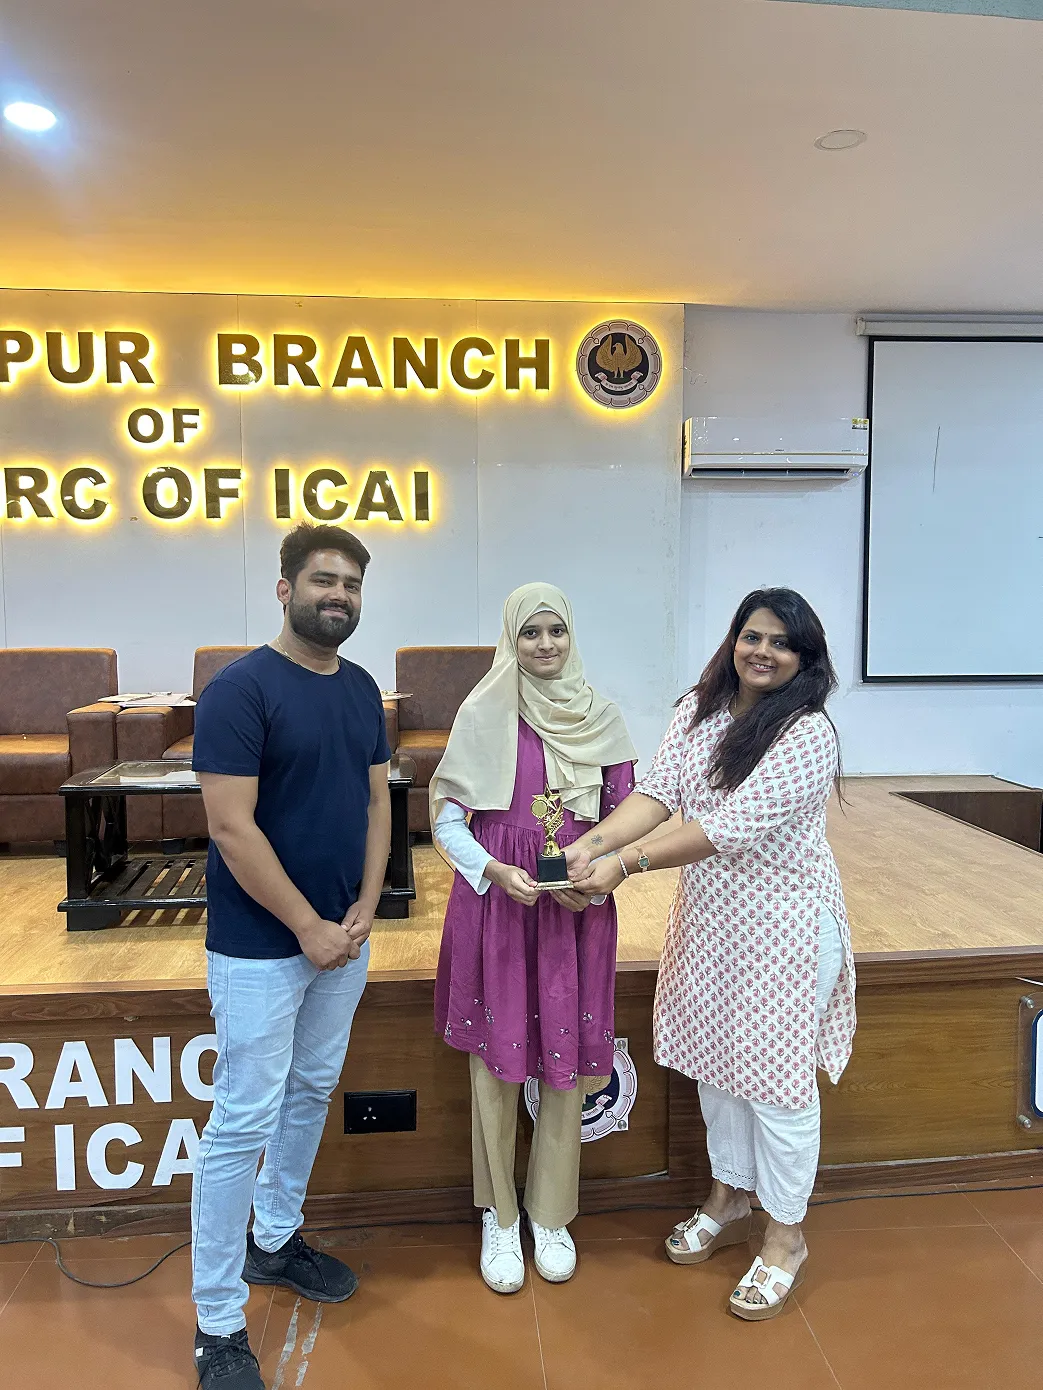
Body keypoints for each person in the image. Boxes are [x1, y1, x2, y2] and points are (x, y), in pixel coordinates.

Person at [566, 588, 855, 1321]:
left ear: (805, 659)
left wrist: (625, 865)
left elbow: (727, 827)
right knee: (716, 1068)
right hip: (712, 924)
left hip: (786, 932)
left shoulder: (806, 733)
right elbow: (658, 793)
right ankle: (729, 1197)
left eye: (781, 643)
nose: (762, 651)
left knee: (777, 1087)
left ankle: (785, 1236)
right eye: (752, 636)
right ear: (733, 640)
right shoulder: (700, 708)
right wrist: (591, 843)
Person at [190, 523, 391, 1390]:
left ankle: (273, 1241)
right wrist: (308, 926)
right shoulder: (239, 690)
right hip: (261, 948)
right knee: (242, 1121)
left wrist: (366, 905)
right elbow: (230, 827)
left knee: (309, 1092)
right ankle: (216, 1322)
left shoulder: (361, 687)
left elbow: (378, 804)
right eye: (322, 580)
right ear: (284, 588)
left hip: (342, 940)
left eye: (351, 583)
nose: (338, 595)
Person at [430, 583, 637, 1294]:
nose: (545, 645)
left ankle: (550, 1215)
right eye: (530, 632)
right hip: (498, 907)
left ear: (571, 636)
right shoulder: (483, 711)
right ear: (510, 639)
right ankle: (500, 1213)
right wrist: (492, 870)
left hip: (574, 913)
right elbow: (447, 821)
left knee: (565, 1059)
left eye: (556, 631)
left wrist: (600, 881)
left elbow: (626, 821)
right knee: (496, 1061)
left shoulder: (603, 718)